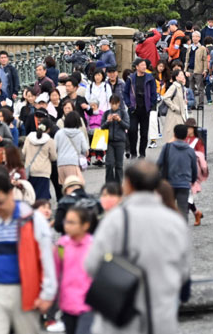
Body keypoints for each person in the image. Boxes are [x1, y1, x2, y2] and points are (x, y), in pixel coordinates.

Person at [85, 160, 191, 334]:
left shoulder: (115, 219)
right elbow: (184, 271)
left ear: (127, 185)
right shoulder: (175, 222)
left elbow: (91, 264)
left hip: (121, 316)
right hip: (161, 317)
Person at [0, 170, 57, 334]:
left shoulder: (32, 219)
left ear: (10, 194)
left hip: (26, 292)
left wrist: (48, 293)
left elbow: (47, 258)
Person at [55, 205, 94, 334]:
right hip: (67, 304)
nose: (67, 225)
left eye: (72, 222)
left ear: (85, 225)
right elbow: (56, 272)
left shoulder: (94, 246)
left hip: (88, 305)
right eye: (66, 221)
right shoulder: (61, 245)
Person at [157, 124, 198, 220]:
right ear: (186, 136)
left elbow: (158, 164)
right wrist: (192, 180)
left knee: (167, 210)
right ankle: (182, 231)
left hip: (168, 184)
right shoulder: (190, 150)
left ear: (174, 134)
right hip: (184, 184)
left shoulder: (167, 147)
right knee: (183, 210)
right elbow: (194, 169)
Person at [124, 59, 157, 159]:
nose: (144, 66)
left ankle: (142, 153)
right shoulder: (131, 78)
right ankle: (133, 152)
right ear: (136, 67)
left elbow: (153, 93)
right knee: (132, 131)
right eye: (142, 65)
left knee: (144, 132)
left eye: (145, 65)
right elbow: (125, 92)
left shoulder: (150, 78)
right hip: (133, 109)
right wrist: (129, 104)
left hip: (145, 109)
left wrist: (151, 104)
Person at [55, 112, 89, 187]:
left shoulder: (59, 133)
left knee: (65, 186)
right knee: (76, 186)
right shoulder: (79, 133)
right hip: (73, 163)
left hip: (61, 164)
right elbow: (85, 149)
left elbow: (55, 148)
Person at [101, 94, 129, 185]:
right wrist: (107, 121)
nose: (114, 106)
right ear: (109, 103)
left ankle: (119, 184)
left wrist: (119, 120)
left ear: (119, 103)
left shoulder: (123, 112)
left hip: (120, 141)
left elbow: (127, 126)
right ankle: (109, 184)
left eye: (115, 104)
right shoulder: (106, 113)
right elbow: (102, 127)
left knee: (119, 165)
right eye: (112, 104)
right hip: (109, 142)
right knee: (109, 163)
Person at [184, 119, 208, 226]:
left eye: (189, 128)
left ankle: (184, 219)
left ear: (193, 129)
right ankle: (197, 213)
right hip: (184, 169)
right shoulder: (184, 139)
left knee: (188, 197)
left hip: (195, 170)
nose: (188, 130)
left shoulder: (198, 141)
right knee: (185, 195)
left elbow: (201, 156)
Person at [162, 68, 189, 139]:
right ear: (176, 77)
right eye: (181, 75)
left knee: (179, 135)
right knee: (174, 134)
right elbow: (166, 97)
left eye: (183, 75)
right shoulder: (174, 87)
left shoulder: (181, 87)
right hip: (174, 115)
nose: (183, 76)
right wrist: (174, 107)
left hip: (180, 114)